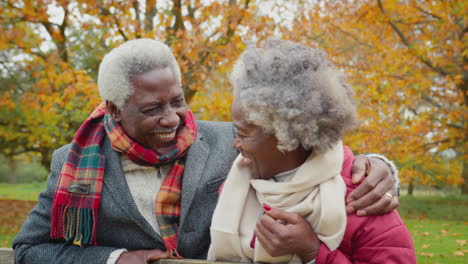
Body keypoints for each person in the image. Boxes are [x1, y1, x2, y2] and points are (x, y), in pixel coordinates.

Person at [13, 38, 399, 264]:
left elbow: (304, 143)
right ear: (114, 109)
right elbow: (29, 249)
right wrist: (114, 259)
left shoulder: (227, 139)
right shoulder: (73, 162)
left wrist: (377, 165)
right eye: (151, 110)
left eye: (177, 101)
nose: (171, 119)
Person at [208, 39, 416, 264]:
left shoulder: (363, 200)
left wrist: (314, 253)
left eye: (243, 134)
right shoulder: (235, 185)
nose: (235, 144)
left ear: (286, 136)